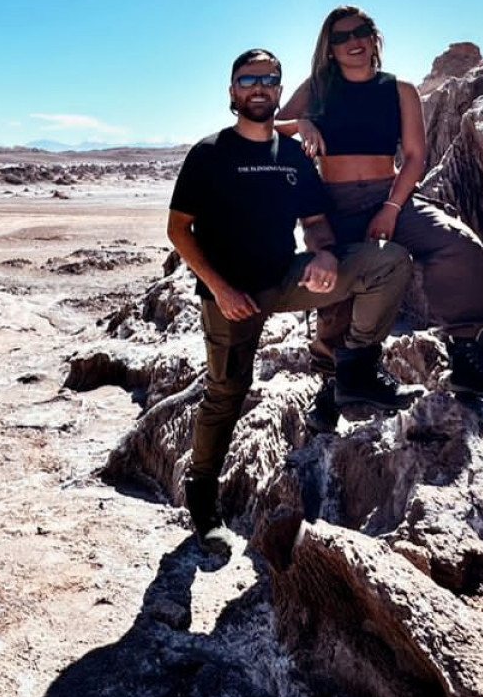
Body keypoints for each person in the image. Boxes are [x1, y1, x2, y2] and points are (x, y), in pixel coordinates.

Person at [167, 48, 419, 553]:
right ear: (232, 92)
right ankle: (203, 498)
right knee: (226, 395)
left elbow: (315, 220)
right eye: (248, 79)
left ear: (279, 92)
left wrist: (323, 254)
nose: (258, 87)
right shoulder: (210, 153)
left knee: (386, 262)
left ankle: (355, 369)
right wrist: (219, 287)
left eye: (269, 79)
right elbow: (178, 230)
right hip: (230, 295)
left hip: (283, 280)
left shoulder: (294, 159)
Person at [278, 5, 483, 401]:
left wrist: (391, 208)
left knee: (455, 244)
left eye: (360, 32)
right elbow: (271, 127)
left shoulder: (400, 90)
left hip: (389, 197)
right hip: (332, 205)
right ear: (329, 48)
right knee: (337, 282)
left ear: (374, 38)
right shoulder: (316, 88)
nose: (352, 42)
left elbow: (414, 157)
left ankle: (470, 359)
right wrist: (301, 123)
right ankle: (337, 383)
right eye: (340, 37)